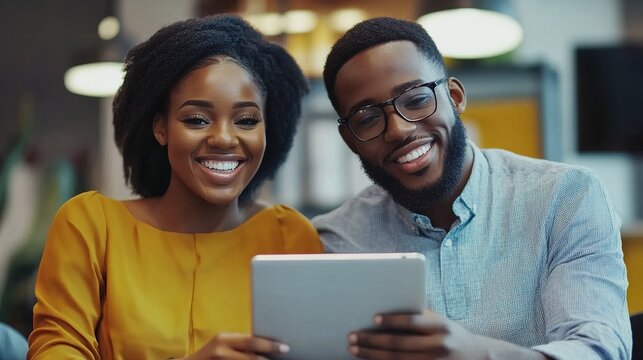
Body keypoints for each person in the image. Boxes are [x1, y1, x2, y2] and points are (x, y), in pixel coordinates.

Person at [313, 16, 631, 359]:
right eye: (368, 118)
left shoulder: (566, 198)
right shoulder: (334, 240)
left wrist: (477, 353)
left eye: (416, 99)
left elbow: (599, 350)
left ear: (454, 96)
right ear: (349, 140)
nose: (399, 130)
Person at [28, 14, 322, 359]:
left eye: (246, 120)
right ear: (160, 128)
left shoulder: (288, 237)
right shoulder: (93, 226)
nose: (224, 138)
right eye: (197, 119)